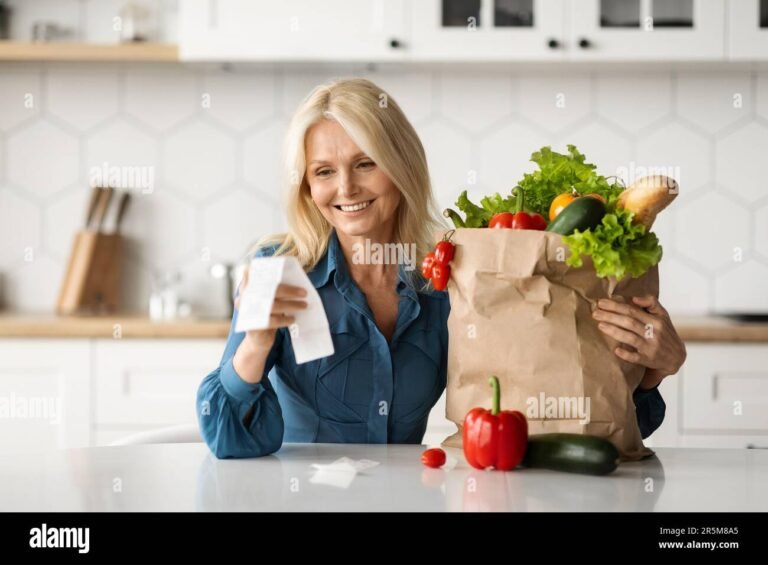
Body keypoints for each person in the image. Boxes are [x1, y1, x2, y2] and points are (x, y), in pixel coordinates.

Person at [196, 78, 687, 458]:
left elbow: (556, 418)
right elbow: (226, 441)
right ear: (307, 187)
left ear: (401, 165)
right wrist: (256, 345)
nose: (345, 188)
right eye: (324, 171)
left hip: (409, 497)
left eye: (366, 163)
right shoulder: (281, 273)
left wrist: (650, 376)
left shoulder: (454, 273)